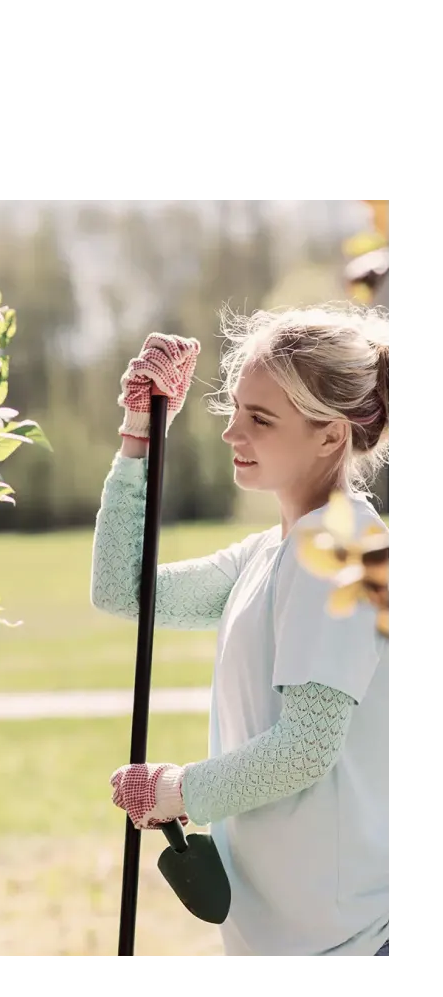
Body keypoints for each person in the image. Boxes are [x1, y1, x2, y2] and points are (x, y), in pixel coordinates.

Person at [90, 311, 389, 962]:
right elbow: (123, 589)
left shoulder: (343, 546)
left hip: (344, 941)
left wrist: (175, 789)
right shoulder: (272, 552)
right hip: (287, 938)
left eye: (261, 418)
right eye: (235, 409)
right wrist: (139, 436)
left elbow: (307, 747)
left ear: (331, 435)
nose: (232, 431)